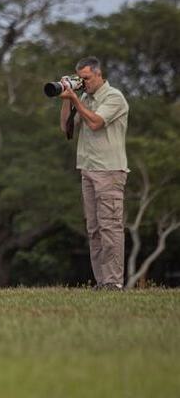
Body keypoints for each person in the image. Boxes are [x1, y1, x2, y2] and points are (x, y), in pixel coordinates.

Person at [59, 56, 129, 290]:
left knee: (110, 226)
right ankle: (102, 281)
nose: (83, 82)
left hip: (109, 170)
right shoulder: (85, 98)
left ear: (99, 74)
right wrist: (68, 99)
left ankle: (114, 281)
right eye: (80, 78)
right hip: (88, 169)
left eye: (86, 78)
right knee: (95, 229)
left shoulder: (113, 97)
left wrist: (77, 102)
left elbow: (96, 122)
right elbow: (66, 129)